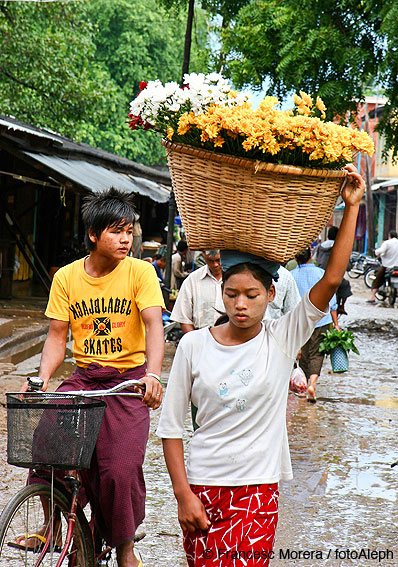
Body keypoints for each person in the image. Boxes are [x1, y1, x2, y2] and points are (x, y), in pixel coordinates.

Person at [157, 165, 365, 567]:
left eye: (252, 294)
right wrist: (183, 494)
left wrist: (350, 207)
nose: (240, 304)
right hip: (202, 487)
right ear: (220, 291)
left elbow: (332, 278)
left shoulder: (282, 337)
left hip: (257, 491)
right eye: (232, 293)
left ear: (271, 294)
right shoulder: (194, 346)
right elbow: (170, 428)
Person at [18, 188, 165, 567]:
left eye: (129, 231)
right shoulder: (66, 277)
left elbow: (154, 327)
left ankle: (125, 548)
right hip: (85, 377)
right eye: (117, 232)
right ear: (94, 235)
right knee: (44, 442)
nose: (126, 239)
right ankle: (53, 523)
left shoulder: (141, 271)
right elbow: (56, 336)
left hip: (128, 382)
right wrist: (41, 380)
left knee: (119, 469)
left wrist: (152, 375)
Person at [291, 247, 340, 402]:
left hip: (301, 321)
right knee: (317, 353)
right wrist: (336, 324)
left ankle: (303, 386)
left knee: (303, 353)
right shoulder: (321, 274)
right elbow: (332, 302)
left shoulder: (291, 276)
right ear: (311, 256)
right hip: (322, 320)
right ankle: (312, 384)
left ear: (296, 258)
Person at [170, 250, 224, 333]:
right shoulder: (193, 280)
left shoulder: (235, 277)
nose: (215, 265)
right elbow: (184, 319)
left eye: (218, 260)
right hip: (201, 337)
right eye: (210, 260)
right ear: (203, 255)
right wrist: (195, 342)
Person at [313, 226, 353, 314]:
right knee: (345, 285)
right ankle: (341, 306)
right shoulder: (340, 247)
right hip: (334, 277)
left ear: (327, 236)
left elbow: (314, 259)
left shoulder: (319, 246)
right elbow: (347, 264)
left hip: (320, 276)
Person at [368, 230, 398, 303]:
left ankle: (372, 297)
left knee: (378, 279)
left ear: (389, 236)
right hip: (397, 266)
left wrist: (376, 251)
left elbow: (380, 251)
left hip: (387, 265)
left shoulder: (387, 243)